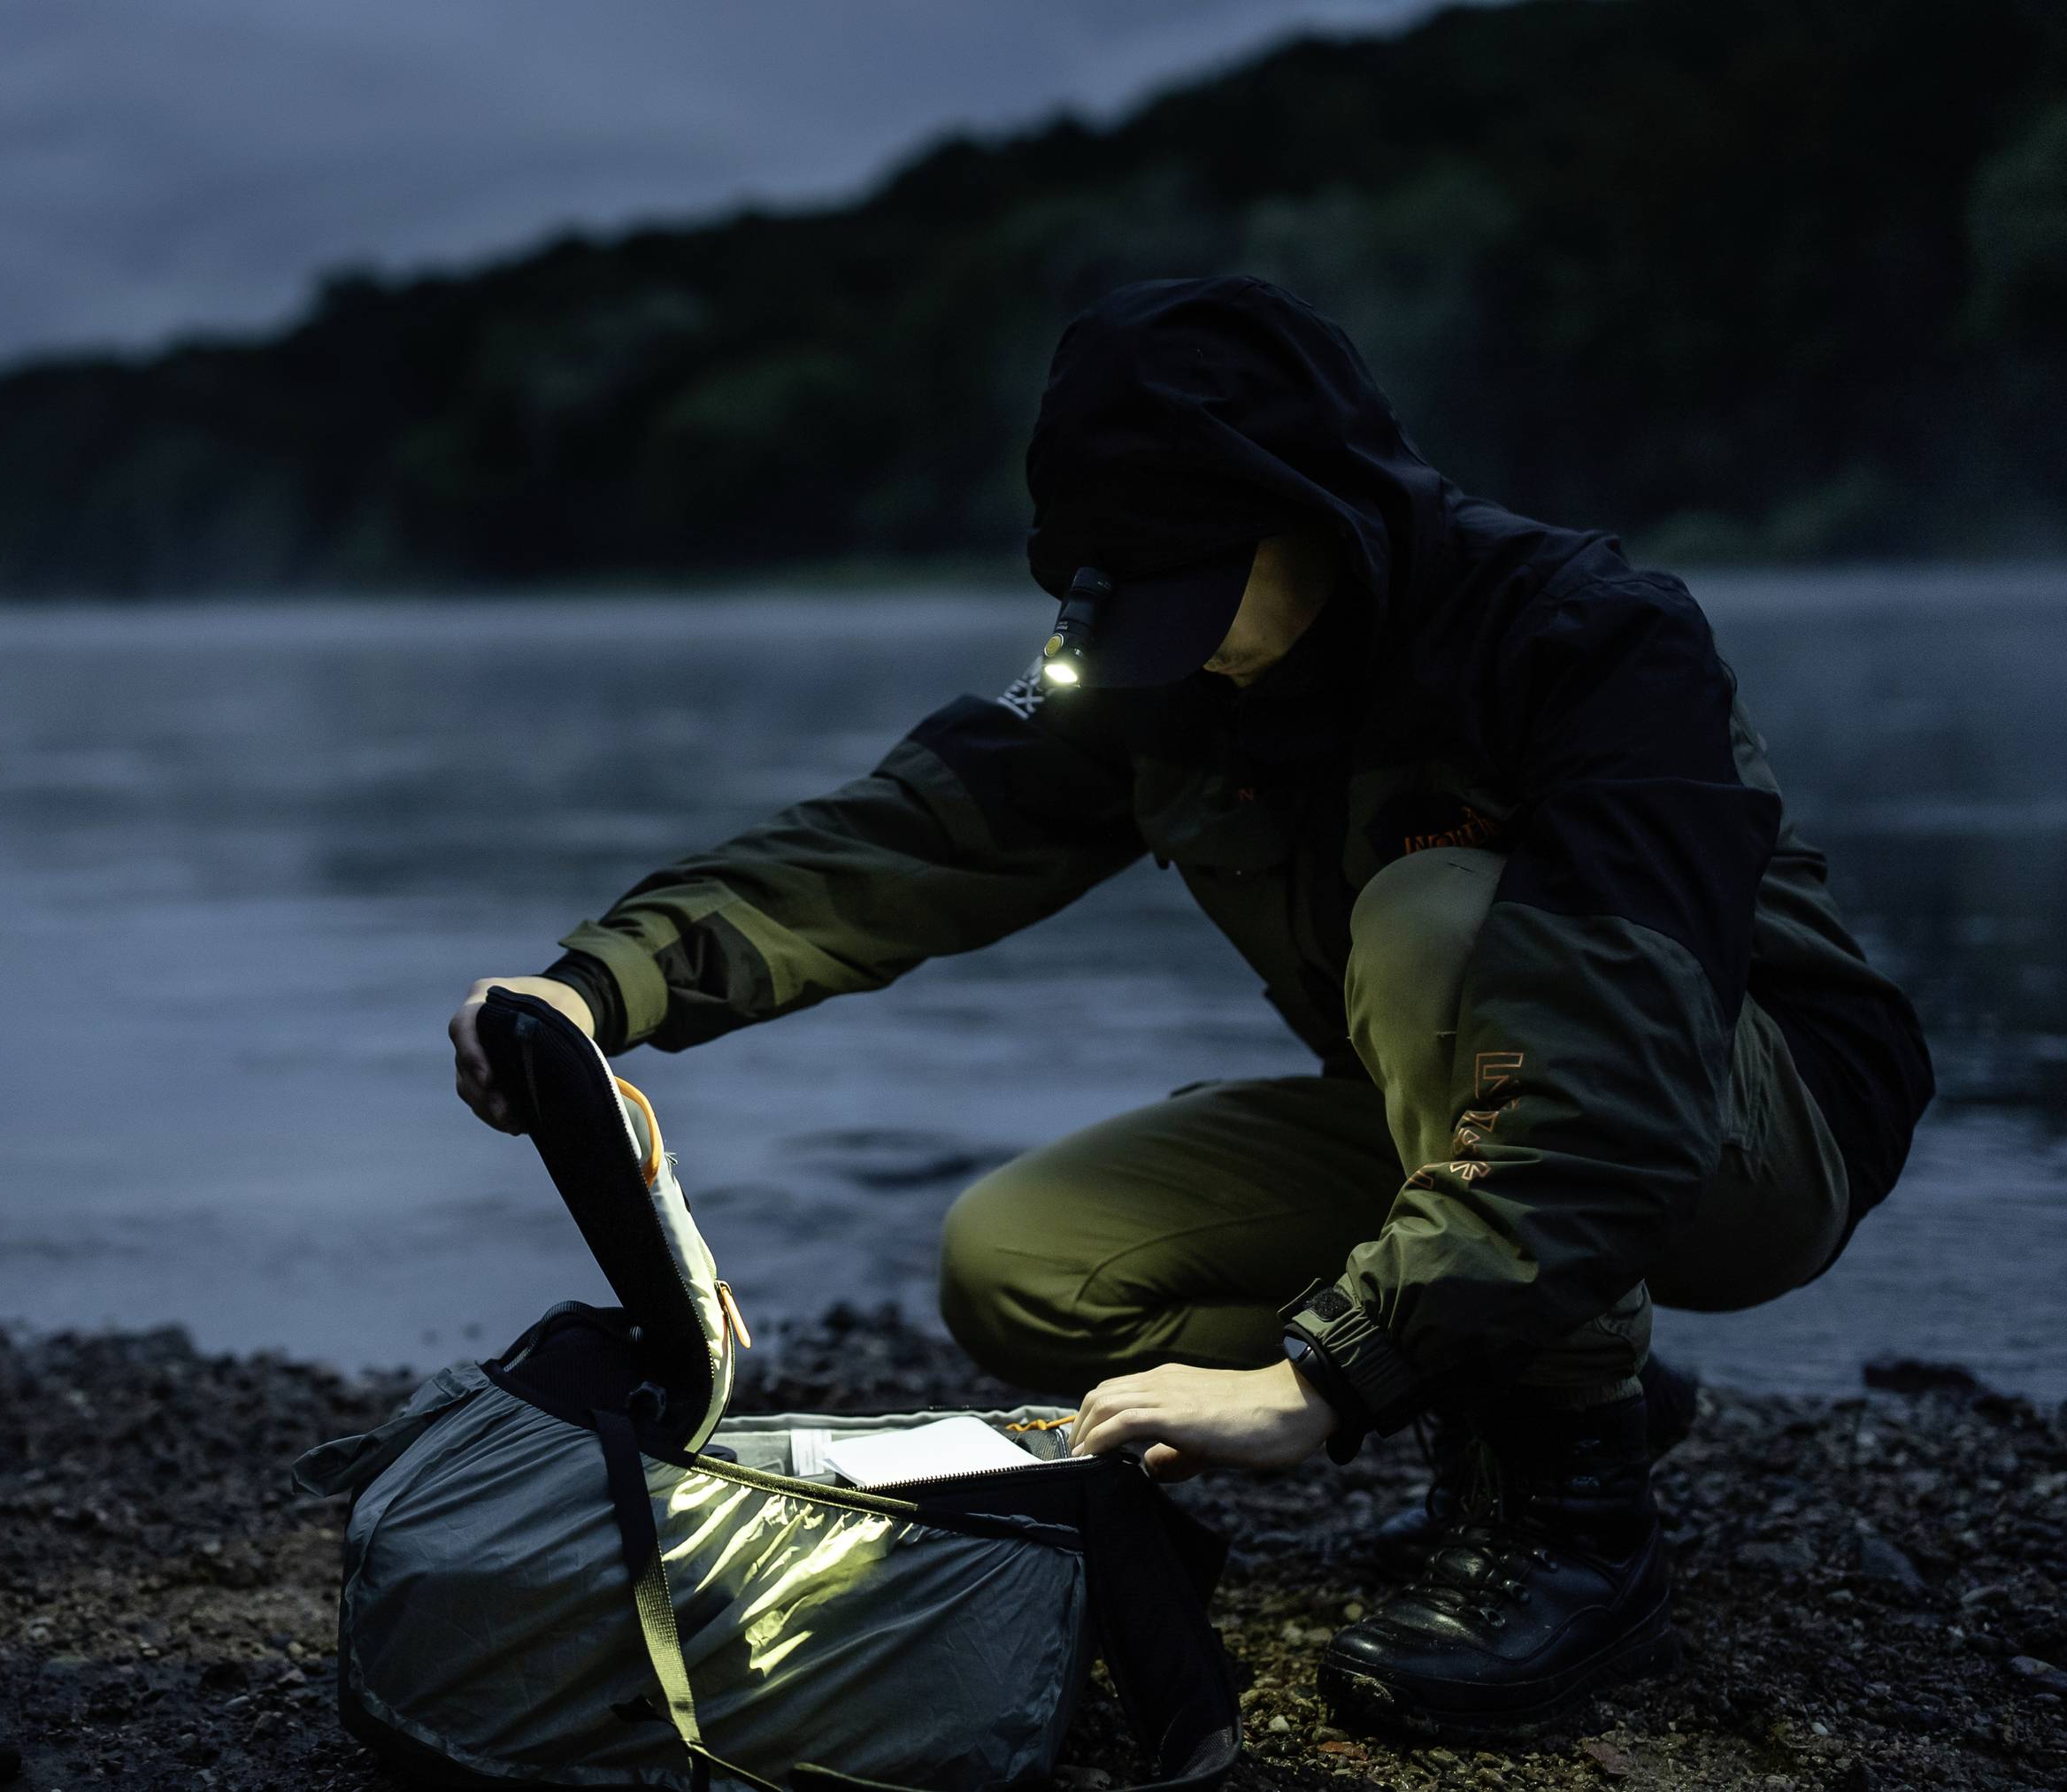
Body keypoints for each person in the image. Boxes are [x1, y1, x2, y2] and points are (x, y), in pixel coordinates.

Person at [444, 276, 1933, 1738]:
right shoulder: (1166, 667)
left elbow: (1611, 1086)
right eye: (1130, 596)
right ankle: (1525, 1353)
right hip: (1479, 1113)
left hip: (1741, 1126)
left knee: (1431, 913)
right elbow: (904, 840)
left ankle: (1581, 1532)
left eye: (1197, 593)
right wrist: (595, 984)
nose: (1179, 640)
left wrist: (1318, 1380)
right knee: (1023, 1264)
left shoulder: (1588, 638)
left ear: (1318, 506)